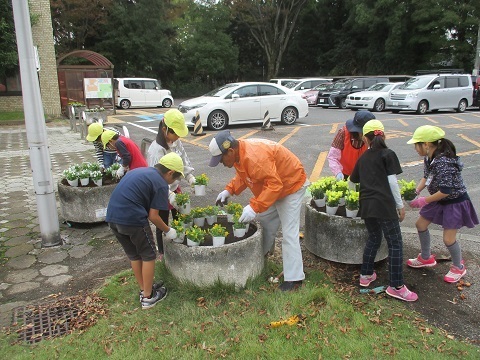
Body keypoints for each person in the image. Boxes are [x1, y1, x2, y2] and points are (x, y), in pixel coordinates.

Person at [208, 130, 308, 291]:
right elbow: (245, 176)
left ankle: (294, 279)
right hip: (275, 187)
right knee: (265, 224)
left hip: (292, 185)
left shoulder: (255, 157)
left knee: (289, 234)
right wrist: (229, 190)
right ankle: (258, 263)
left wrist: (254, 207)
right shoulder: (240, 156)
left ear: (231, 151)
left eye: (221, 159)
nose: (222, 163)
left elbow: (275, 185)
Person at [350, 120, 418, 302]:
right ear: (383, 135)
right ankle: (396, 286)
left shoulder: (363, 158)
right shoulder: (388, 154)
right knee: (395, 244)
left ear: (365, 138)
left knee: (374, 238)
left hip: (366, 206)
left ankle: (365, 275)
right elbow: (392, 182)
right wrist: (400, 205)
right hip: (384, 206)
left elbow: (353, 180)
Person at [105, 153, 184, 309]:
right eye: (174, 179)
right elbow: (153, 216)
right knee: (148, 255)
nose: (173, 182)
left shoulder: (141, 171)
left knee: (135, 255)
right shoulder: (160, 183)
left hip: (113, 217)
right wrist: (169, 231)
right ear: (169, 173)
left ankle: (144, 289)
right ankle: (148, 298)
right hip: (132, 219)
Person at [406, 125, 478, 283]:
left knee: (448, 239)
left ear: (426, 144)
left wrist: (423, 200)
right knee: (420, 224)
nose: (415, 148)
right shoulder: (429, 158)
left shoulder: (443, 161)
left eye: (416, 144)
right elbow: (426, 177)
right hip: (439, 199)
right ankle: (426, 257)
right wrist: (416, 192)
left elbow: (446, 190)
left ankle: (459, 267)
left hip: (454, 202)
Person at [147, 109, 195, 257]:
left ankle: (182, 244)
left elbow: (183, 161)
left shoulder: (177, 142)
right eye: (175, 133)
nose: (178, 136)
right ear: (164, 129)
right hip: (161, 192)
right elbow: (156, 179)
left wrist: (190, 177)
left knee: (181, 218)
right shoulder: (156, 150)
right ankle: (163, 252)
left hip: (175, 187)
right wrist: (169, 195)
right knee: (162, 223)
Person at [327, 110, 376, 180]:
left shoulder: (374, 136)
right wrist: (337, 172)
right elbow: (333, 156)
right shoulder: (343, 133)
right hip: (345, 174)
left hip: (364, 174)